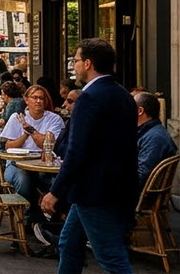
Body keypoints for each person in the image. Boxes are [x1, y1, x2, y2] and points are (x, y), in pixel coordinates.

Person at [41, 39, 139, 274]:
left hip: (94, 190)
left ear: (88, 63)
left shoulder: (88, 98)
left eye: (75, 60)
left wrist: (56, 191)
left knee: (110, 257)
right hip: (115, 186)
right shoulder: (123, 95)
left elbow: (77, 150)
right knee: (69, 243)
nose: (73, 65)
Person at [0, 85, 64, 224]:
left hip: (42, 163)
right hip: (16, 163)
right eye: (35, 97)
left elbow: (48, 144)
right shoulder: (16, 117)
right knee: (23, 181)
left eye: (42, 98)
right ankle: (32, 211)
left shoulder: (54, 119)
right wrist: (24, 134)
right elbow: (8, 146)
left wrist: (31, 130)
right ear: (26, 100)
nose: (38, 101)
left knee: (55, 182)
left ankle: (54, 219)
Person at [136, 90, 177, 187]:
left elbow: (141, 178)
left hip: (138, 196)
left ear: (140, 111)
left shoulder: (154, 138)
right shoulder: (149, 132)